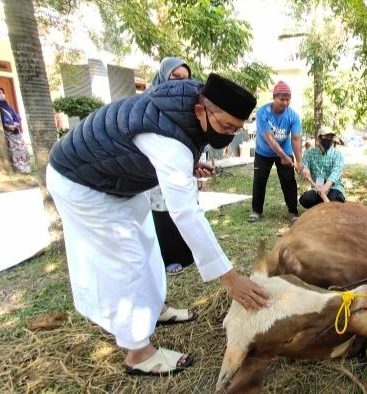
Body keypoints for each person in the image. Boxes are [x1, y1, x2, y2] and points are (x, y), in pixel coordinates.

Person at [47, 73, 270, 376]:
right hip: (82, 180)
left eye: (237, 128)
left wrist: (187, 164)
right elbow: (186, 213)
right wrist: (230, 278)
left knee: (147, 243)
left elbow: (158, 145)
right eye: (226, 126)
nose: (229, 135)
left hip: (114, 176)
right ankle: (138, 352)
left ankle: (154, 310)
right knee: (127, 258)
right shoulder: (170, 143)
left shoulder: (191, 99)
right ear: (200, 111)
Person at [144, 57, 202, 275]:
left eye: (185, 79)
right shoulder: (149, 101)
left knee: (186, 208)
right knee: (164, 213)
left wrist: (194, 164)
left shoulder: (188, 104)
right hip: (156, 167)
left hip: (182, 166)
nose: (179, 83)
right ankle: (169, 258)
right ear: (163, 76)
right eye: (175, 77)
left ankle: (188, 255)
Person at [248, 80, 302, 223]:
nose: (285, 102)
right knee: (259, 180)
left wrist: (299, 161)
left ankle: (292, 212)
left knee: (289, 181)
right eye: (281, 99)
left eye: (287, 99)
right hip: (263, 152)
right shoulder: (263, 113)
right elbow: (270, 139)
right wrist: (283, 156)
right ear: (274, 98)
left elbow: (296, 139)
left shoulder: (293, 116)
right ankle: (256, 211)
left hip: (285, 149)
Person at [299, 127, 346, 208]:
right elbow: (303, 165)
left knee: (336, 199)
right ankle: (322, 205)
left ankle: (324, 205)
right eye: (326, 137)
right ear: (319, 139)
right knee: (305, 199)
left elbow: (336, 172)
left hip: (334, 188)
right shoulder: (310, 153)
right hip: (317, 189)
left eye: (331, 137)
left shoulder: (338, 155)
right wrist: (304, 169)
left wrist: (326, 187)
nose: (329, 139)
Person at [0, 87, 31, 173]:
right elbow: (0, 120)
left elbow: (17, 117)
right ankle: (18, 170)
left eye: (2, 92)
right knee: (14, 152)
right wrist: (8, 126)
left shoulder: (9, 106)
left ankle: (25, 169)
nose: (1, 95)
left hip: (16, 132)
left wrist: (16, 124)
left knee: (23, 150)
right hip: (8, 133)